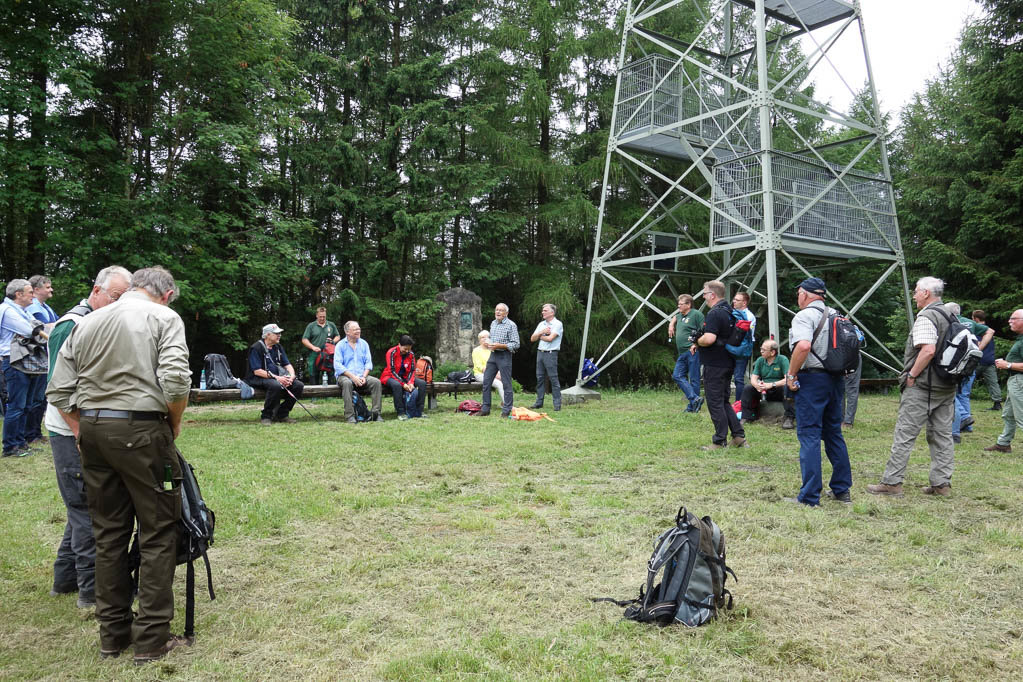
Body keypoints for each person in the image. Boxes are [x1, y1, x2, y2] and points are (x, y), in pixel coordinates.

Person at [46, 266, 192, 664]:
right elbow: (176, 381)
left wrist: (81, 428)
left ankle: (112, 636)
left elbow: (58, 389)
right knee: (159, 531)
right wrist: (174, 422)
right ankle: (151, 640)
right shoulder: (164, 318)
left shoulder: (88, 322)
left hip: (93, 431)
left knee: (108, 534)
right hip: (143, 430)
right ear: (165, 294)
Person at [44, 266, 131, 609]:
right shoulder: (71, 324)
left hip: (91, 427)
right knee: (87, 507)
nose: (119, 304)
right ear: (96, 291)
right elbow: (56, 389)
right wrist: (80, 431)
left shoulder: (105, 323)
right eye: (115, 297)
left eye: (125, 298)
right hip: (70, 430)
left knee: (80, 504)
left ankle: (64, 579)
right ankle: (92, 593)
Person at [866, 277, 957, 498]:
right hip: (947, 386)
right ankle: (941, 484)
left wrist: (911, 376)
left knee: (904, 434)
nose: (914, 295)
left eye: (916, 291)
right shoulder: (950, 315)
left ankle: (892, 482)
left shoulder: (927, 316)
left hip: (924, 386)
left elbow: (927, 350)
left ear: (926, 293)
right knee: (942, 435)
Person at [785, 277, 853, 506]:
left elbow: (803, 346)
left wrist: (792, 374)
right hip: (836, 380)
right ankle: (842, 490)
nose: (798, 298)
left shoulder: (804, 316)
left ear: (804, 294)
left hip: (812, 381)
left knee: (810, 435)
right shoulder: (838, 315)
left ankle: (809, 496)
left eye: (798, 294)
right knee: (833, 433)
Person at [693, 280, 745, 449]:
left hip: (715, 364)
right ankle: (738, 437)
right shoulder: (730, 311)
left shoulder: (715, 313)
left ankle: (719, 441)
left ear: (712, 295)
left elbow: (709, 339)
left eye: (705, 293)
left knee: (715, 402)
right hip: (727, 362)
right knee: (723, 401)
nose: (703, 296)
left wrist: (697, 340)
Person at [1, 279, 46, 457]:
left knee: (26, 405)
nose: (33, 297)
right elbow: (31, 331)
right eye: (30, 293)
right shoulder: (7, 310)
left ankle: (20, 442)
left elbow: (39, 330)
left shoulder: (22, 311)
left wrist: (37, 330)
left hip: (24, 360)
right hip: (13, 361)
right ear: (18, 294)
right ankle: (10, 446)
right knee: (16, 405)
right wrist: (36, 331)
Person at [945, 302, 994, 443]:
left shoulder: (951, 322)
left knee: (951, 394)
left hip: (955, 364)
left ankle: (965, 417)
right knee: (964, 394)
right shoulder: (970, 322)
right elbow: (990, 331)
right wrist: (979, 348)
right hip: (970, 363)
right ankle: (967, 427)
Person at [246, 324, 305, 425]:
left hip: (277, 377)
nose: (279, 335)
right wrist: (277, 378)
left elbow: (287, 364)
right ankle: (266, 416)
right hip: (258, 378)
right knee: (275, 385)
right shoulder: (256, 348)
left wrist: (292, 376)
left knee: (298, 385)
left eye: (280, 333)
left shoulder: (278, 347)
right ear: (268, 335)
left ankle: (282, 414)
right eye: (276, 333)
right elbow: (257, 371)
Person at [24, 275, 58, 446]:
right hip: (36, 357)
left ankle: (35, 431)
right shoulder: (34, 309)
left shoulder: (45, 307)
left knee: (40, 397)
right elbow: (46, 329)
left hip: (44, 356)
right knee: (36, 398)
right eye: (47, 287)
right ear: (36, 289)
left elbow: (55, 324)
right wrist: (54, 326)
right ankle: (31, 433)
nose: (51, 289)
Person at [984, 309, 1023, 454]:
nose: (1009, 321)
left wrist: (1008, 365)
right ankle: (1003, 444)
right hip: (1015, 381)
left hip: (1020, 382)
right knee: (1008, 414)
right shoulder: (1020, 338)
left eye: (1014, 318)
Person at [334, 320, 383, 423]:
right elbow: (338, 366)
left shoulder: (364, 344)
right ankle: (350, 416)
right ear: (347, 332)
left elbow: (368, 363)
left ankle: (376, 414)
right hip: (345, 376)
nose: (358, 330)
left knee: (376, 382)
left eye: (359, 328)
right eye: (355, 329)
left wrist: (364, 377)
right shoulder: (340, 345)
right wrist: (353, 377)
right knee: (347, 383)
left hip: (361, 375)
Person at [740, 339, 795, 427]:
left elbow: (787, 379)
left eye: (764, 350)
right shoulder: (760, 360)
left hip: (777, 389)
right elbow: (753, 378)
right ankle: (747, 417)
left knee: (787, 387)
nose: (761, 351)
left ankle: (789, 418)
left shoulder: (782, 359)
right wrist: (757, 385)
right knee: (748, 388)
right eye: (761, 349)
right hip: (764, 389)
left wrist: (772, 384)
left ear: (772, 352)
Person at [480, 303, 520, 417]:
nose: (498, 312)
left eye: (501, 310)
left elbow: (516, 344)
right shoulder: (493, 323)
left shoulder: (511, 325)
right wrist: (489, 342)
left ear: (506, 313)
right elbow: (492, 339)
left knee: (506, 383)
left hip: (504, 356)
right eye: (496, 310)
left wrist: (500, 346)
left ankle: (506, 410)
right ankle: (485, 409)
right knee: (486, 382)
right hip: (492, 356)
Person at [667, 294, 704, 413]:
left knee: (694, 379)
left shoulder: (696, 314)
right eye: (678, 303)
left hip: (693, 351)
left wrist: (696, 344)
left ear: (688, 304)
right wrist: (671, 324)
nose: (678, 306)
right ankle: (695, 399)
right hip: (682, 353)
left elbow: (703, 331)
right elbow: (675, 317)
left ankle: (693, 408)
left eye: (681, 304)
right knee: (677, 375)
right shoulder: (680, 315)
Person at [380, 334, 427, 420]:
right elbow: (391, 371)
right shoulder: (391, 352)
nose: (407, 351)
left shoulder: (411, 354)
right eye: (405, 349)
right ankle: (401, 412)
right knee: (397, 385)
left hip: (405, 377)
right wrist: (403, 384)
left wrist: (410, 382)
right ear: (399, 345)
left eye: (409, 349)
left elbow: (412, 370)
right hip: (389, 376)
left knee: (422, 383)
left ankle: (419, 411)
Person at [530, 303, 563, 411]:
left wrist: (540, 336)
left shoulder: (558, 324)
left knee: (553, 378)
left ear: (552, 312)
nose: (542, 312)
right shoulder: (541, 324)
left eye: (545, 310)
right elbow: (532, 338)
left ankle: (557, 404)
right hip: (540, 353)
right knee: (539, 378)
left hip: (551, 353)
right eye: (542, 310)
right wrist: (542, 333)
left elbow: (550, 339)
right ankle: (539, 403)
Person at [972, 310, 1002, 411]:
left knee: (966, 381)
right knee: (993, 382)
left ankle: (961, 402)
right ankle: (997, 403)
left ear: (976, 319)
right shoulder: (989, 330)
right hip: (989, 360)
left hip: (977, 360)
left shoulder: (978, 330)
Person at [301, 307, 340, 382]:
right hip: (315, 354)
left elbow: (338, 336)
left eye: (324, 317)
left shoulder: (331, 325)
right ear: (316, 315)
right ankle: (313, 392)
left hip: (328, 354)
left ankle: (330, 393)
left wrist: (333, 341)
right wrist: (313, 347)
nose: (322, 318)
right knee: (313, 375)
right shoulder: (311, 326)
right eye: (320, 317)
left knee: (330, 375)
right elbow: (304, 339)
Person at [731, 291, 756, 400]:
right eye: (734, 299)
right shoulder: (732, 313)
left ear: (744, 303)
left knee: (738, 378)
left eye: (737, 300)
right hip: (731, 348)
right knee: (727, 376)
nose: (734, 302)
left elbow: (746, 336)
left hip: (742, 350)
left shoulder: (749, 316)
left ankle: (739, 403)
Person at [472, 331, 503, 396]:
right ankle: (508, 405)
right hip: (480, 374)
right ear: (479, 340)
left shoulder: (492, 350)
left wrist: (498, 374)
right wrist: (495, 375)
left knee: (506, 380)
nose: (485, 339)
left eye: (487, 337)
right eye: (483, 337)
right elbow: (480, 367)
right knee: (499, 384)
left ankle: (504, 403)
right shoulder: (476, 351)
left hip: (494, 372)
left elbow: (497, 364)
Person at [841, 354, 862, 430]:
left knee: (839, 389)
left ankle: (841, 420)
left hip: (838, 356)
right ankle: (848, 422)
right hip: (853, 355)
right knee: (852, 390)